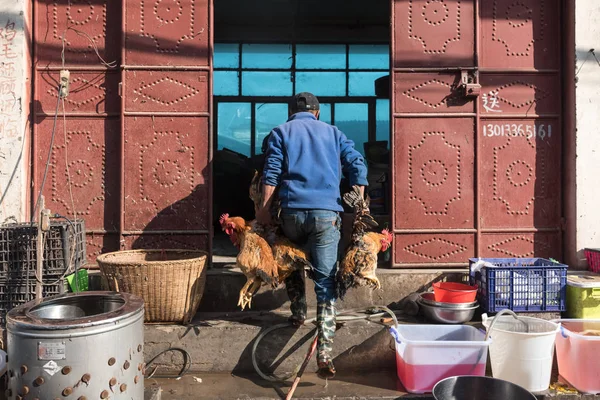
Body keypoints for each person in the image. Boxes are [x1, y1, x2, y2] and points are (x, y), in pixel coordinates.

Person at [256, 92, 368, 379]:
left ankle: (297, 313)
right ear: (317, 112)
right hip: (325, 215)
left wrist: (264, 212)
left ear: (290, 113)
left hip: (292, 213)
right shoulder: (334, 133)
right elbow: (357, 165)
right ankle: (325, 352)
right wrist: (359, 199)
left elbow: (271, 174)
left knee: (291, 257)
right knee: (325, 280)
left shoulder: (280, 132)